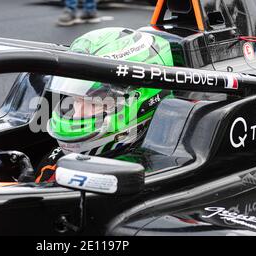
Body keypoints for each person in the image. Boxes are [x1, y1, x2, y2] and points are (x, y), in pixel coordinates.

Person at [35, 27, 175, 183]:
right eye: (75, 100)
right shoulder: (55, 160)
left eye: (94, 104)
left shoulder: (151, 170)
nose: (76, 113)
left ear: (139, 99)